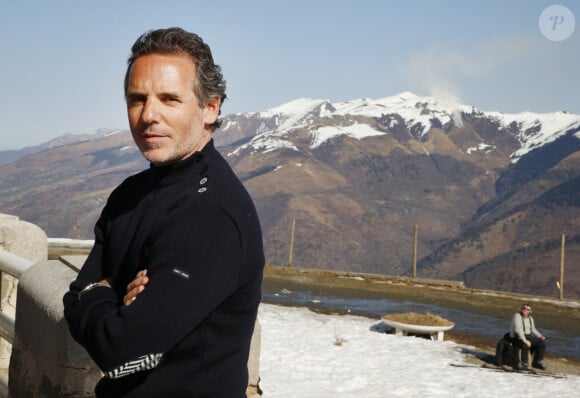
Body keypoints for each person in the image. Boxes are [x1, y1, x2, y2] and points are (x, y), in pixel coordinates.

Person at [63, 27, 264, 397]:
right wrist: (108, 297)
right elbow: (73, 297)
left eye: (169, 99)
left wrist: (100, 292)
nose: (148, 115)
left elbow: (120, 352)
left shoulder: (211, 213)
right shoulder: (129, 195)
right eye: (137, 98)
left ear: (210, 108)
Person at [509, 303, 547, 370]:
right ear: (521, 309)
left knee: (542, 342)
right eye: (524, 308)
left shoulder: (530, 318)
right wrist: (525, 340)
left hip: (528, 336)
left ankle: (537, 362)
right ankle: (524, 364)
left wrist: (541, 336)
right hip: (516, 336)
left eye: (527, 309)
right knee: (525, 345)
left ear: (530, 311)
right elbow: (518, 329)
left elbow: (533, 329)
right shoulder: (517, 316)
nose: (525, 310)